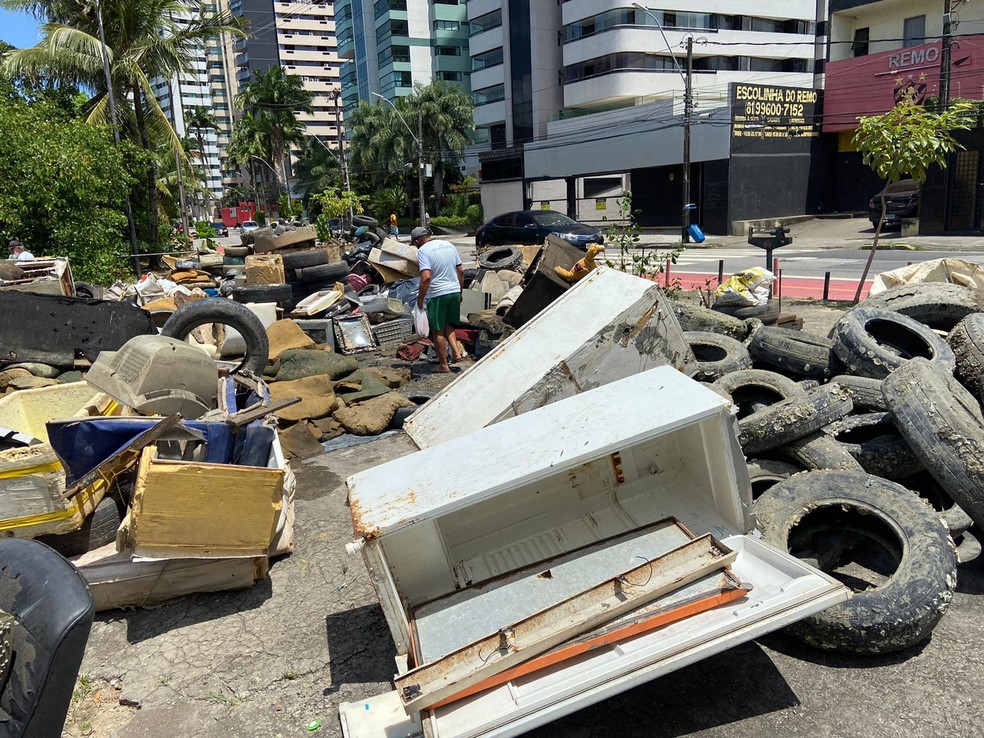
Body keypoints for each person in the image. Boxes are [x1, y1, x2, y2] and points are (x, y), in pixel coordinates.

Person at [412, 226, 467, 373]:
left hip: (437, 294)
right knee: (447, 323)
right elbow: (460, 270)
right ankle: (456, 353)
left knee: (437, 330)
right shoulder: (449, 245)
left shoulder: (423, 251)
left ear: (417, 242)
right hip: (454, 290)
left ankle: (443, 366)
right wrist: (460, 291)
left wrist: (420, 299)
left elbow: (426, 277)